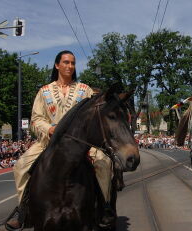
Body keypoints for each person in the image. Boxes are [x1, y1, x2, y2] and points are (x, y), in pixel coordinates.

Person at [6, 50, 114, 231]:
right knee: (20, 166)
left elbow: (93, 117)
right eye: (66, 62)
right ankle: (23, 210)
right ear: (57, 65)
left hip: (81, 145)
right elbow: (36, 119)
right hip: (49, 143)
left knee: (104, 163)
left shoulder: (85, 90)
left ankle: (104, 206)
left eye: (72, 63)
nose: (70, 66)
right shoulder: (44, 91)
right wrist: (49, 129)